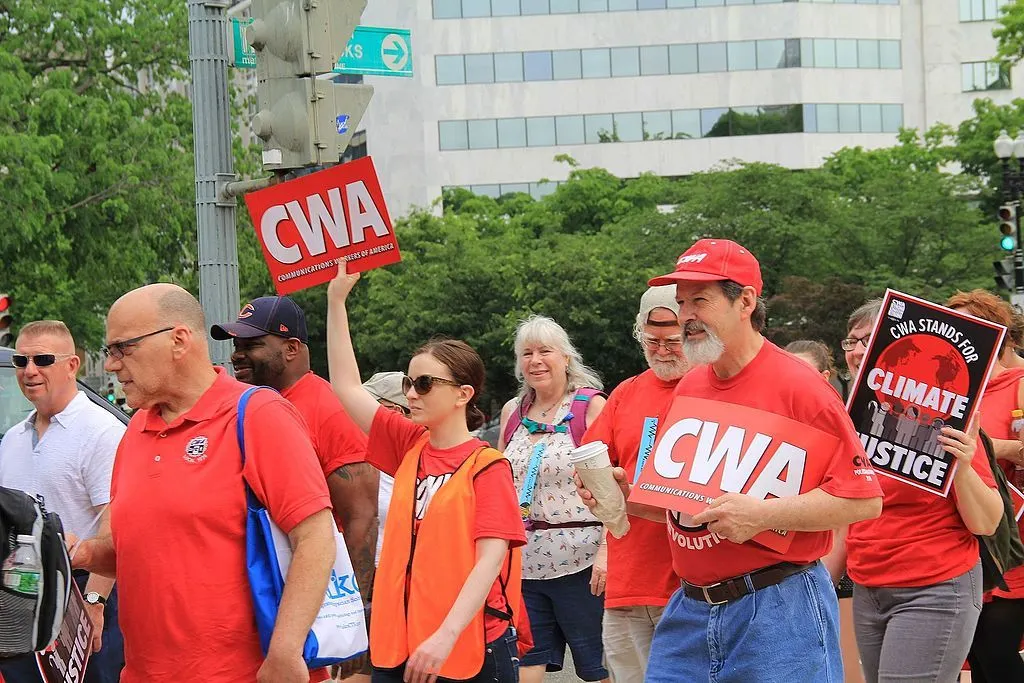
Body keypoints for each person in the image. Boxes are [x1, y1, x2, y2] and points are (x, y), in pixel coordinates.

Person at [577, 238, 883, 683]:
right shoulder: (692, 384)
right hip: (689, 609)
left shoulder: (800, 386)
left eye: (700, 300)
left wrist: (765, 515)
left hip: (780, 608)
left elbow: (863, 500)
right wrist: (624, 498)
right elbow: (686, 505)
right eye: (682, 302)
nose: (686, 315)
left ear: (746, 302)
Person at [71, 284, 337, 683]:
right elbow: (135, 551)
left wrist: (285, 650)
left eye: (122, 348)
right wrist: (82, 553)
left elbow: (316, 537)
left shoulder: (258, 414)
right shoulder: (136, 429)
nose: (111, 364)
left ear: (179, 340)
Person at [326, 263, 526, 683]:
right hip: (399, 643)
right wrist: (336, 300)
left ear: (463, 394)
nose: (411, 394)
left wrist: (445, 636)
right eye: (408, 383)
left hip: (466, 645)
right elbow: (346, 387)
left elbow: (489, 561)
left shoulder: (488, 466)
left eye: (424, 383)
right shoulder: (409, 444)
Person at [835, 297, 1003, 683]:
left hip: (934, 586)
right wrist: (821, 585)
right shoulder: (849, 418)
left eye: (869, 340)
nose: (857, 351)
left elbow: (987, 522)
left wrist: (961, 465)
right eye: (851, 341)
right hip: (868, 587)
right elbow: (847, 512)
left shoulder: (946, 418)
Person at [210, 297, 378, 607]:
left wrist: (350, 611)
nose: (237, 355)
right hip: (262, 584)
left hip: (315, 591)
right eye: (237, 346)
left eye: (252, 345)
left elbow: (361, 515)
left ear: (291, 348)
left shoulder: (330, 408)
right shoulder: (250, 404)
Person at [0, 321, 126, 683]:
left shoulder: (102, 432)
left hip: (82, 593)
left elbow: (115, 528)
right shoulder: (13, 438)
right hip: (21, 594)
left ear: (72, 365)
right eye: (21, 361)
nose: (29, 371)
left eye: (42, 359)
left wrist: (95, 604)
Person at [579, 286, 688, 683]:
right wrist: (592, 484)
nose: (661, 351)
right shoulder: (627, 391)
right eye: (651, 341)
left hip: (685, 586)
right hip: (626, 582)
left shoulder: (711, 389)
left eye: (672, 341)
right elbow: (590, 459)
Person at [498, 315, 609, 683]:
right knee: (525, 665)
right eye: (527, 353)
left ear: (566, 357)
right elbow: (499, 487)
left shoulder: (590, 408)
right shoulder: (512, 412)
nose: (535, 361)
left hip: (583, 562)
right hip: (524, 565)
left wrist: (607, 553)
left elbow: (614, 491)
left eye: (545, 351)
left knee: (599, 669)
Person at [946, 289, 1024, 683]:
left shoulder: (1018, 382)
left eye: (970, 326)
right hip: (965, 535)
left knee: (997, 651)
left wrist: (984, 447)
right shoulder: (953, 388)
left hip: (1010, 537)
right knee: (976, 653)